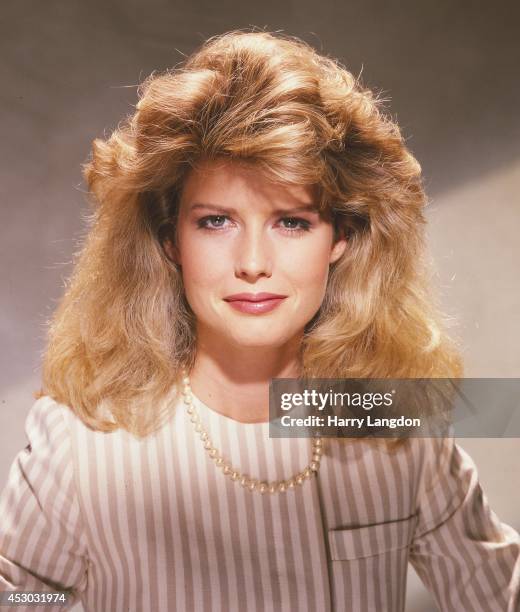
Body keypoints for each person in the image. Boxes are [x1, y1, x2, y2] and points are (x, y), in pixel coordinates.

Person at [0, 30, 518, 612]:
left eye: (291, 222)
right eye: (216, 221)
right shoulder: (78, 439)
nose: (252, 265)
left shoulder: (389, 421)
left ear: (342, 238)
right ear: (171, 239)